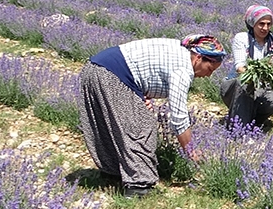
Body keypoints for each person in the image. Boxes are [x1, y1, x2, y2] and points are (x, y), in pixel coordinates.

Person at [78, 35, 226, 198]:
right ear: (199, 58)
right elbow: (178, 116)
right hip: (110, 74)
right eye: (210, 69)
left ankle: (114, 172)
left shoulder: (181, 52)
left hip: (94, 69)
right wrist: (190, 150)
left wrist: (140, 95)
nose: (208, 76)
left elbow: (145, 71)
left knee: (111, 125)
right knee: (140, 128)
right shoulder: (183, 69)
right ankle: (139, 186)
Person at [222, 5, 273, 130]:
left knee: (272, 103)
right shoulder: (242, 38)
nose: (265, 28)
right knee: (245, 83)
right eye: (261, 24)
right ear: (253, 23)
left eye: (268, 24)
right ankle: (237, 131)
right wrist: (259, 75)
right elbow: (240, 67)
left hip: (262, 88)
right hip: (234, 86)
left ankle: (251, 123)